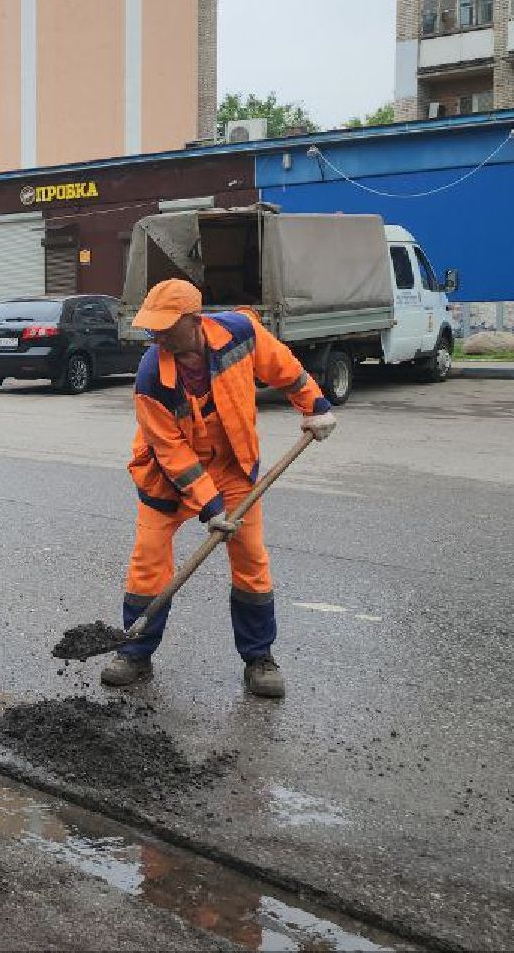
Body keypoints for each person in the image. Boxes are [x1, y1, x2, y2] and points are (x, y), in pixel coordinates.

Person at [101, 278, 337, 699]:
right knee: (148, 561)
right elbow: (170, 451)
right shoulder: (151, 374)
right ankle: (134, 651)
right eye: (152, 327)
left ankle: (259, 658)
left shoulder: (240, 334)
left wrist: (315, 407)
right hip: (168, 478)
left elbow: (283, 367)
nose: (156, 335)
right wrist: (209, 507)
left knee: (250, 560)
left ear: (194, 320)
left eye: (165, 326)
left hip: (233, 470)